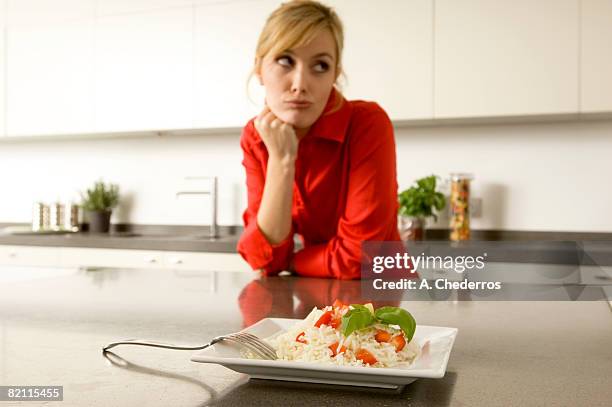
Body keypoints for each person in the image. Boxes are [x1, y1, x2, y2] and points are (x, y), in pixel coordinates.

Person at [237, 0, 402, 279]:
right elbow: (263, 258)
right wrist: (281, 160)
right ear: (259, 68)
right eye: (285, 61)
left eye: (320, 66)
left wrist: (292, 262)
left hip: (383, 296)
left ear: (335, 74)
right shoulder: (256, 137)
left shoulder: (367, 124)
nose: (300, 83)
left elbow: (360, 256)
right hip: (314, 300)